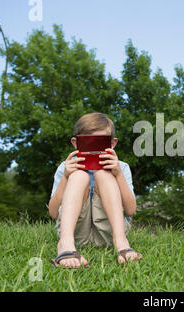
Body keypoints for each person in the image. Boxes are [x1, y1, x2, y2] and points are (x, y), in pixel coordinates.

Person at [48, 112, 142, 268]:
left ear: (112, 144)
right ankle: (65, 243)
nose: (94, 150)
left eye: (99, 143)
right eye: (88, 143)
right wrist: (66, 176)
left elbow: (131, 210)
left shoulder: (122, 167)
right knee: (79, 176)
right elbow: (53, 213)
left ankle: (121, 242)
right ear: (75, 143)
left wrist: (117, 174)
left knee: (103, 174)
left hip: (108, 234)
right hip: (76, 235)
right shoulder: (66, 167)